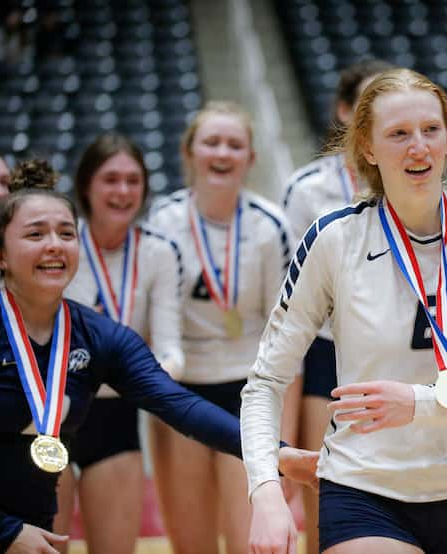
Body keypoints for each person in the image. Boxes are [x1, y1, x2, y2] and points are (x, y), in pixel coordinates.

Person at [241, 68, 447, 554]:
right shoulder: (334, 237)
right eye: (398, 134)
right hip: (362, 488)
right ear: (366, 148)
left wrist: (418, 404)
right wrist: (265, 490)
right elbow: (266, 382)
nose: (418, 147)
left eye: (431, 129)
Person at [0, 160, 317, 554]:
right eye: (35, 234)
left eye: (66, 233)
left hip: (33, 529)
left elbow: (177, 403)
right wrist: (7, 531)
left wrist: (277, 452)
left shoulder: (96, 335)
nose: (54, 244)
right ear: (1, 254)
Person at [148, 101, 296, 554]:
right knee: (189, 538)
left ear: (250, 159)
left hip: (248, 392)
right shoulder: (163, 218)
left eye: (235, 145)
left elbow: (285, 334)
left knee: (249, 535)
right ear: (189, 151)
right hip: (180, 390)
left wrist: (282, 431)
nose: (223, 153)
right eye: (211, 142)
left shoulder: (270, 225)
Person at [50, 134, 184, 554]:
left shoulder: (159, 253)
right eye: (111, 179)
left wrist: (119, 376)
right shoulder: (58, 247)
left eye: (133, 180)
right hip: (47, 419)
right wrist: (127, 370)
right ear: (87, 185)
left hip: (116, 423)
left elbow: (172, 354)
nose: (123, 191)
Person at [281, 57, 393, 554]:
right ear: (345, 111)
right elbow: (293, 297)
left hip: (399, 355)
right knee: (327, 498)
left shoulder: (414, 182)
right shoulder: (307, 190)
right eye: (368, 104)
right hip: (329, 351)